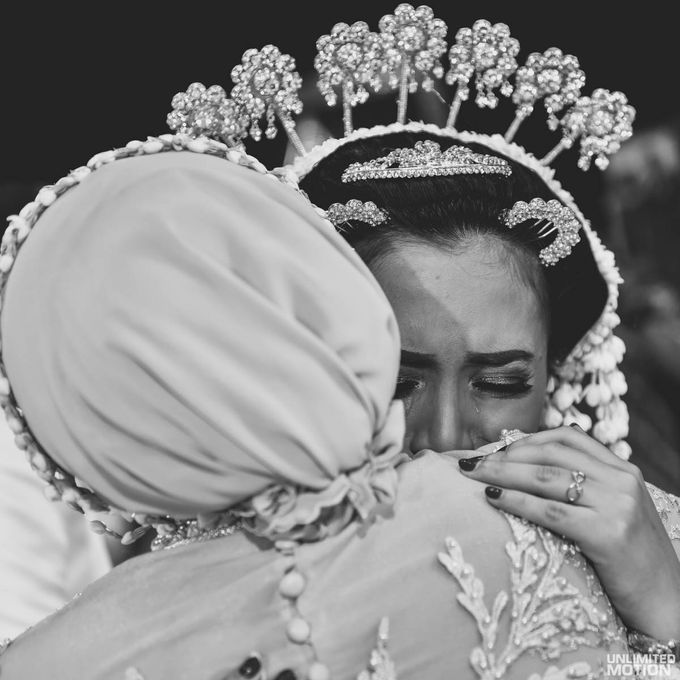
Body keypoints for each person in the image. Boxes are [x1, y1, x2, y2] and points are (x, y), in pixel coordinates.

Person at [0, 133, 643, 679]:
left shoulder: (635, 547)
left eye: (500, 383)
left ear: (555, 379)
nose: (445, 437)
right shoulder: (135, 623)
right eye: (396, 383)